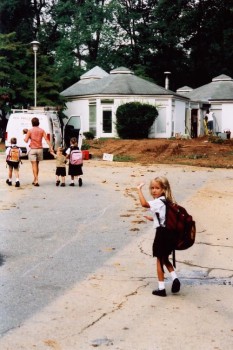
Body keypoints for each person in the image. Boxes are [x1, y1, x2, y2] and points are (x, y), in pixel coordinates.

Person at [137, 177, 180, 297]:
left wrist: (139, 189)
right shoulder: (167, 201)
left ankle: (161, 288)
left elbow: (144, 204)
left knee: (159, 260)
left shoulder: (158, 202)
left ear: (163, 189)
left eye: (157, 188)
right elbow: (164, 217)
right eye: (152, 188)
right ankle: (175, 278)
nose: (154, 190)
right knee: (165, 258)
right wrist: (153, 218)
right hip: (169, 233)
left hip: (162, 234)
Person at [24, 117, 53, 186]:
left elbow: (26, 140)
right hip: (40, 149)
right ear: (38, 123)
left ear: (32, 123)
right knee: (37, 165)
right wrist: (50, 146)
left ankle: (36, 180)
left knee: (34, 165)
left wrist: (26, 135)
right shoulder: (42, 130)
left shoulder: (30, 131)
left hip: (33, 149)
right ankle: (35, 179)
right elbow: (46, 139)